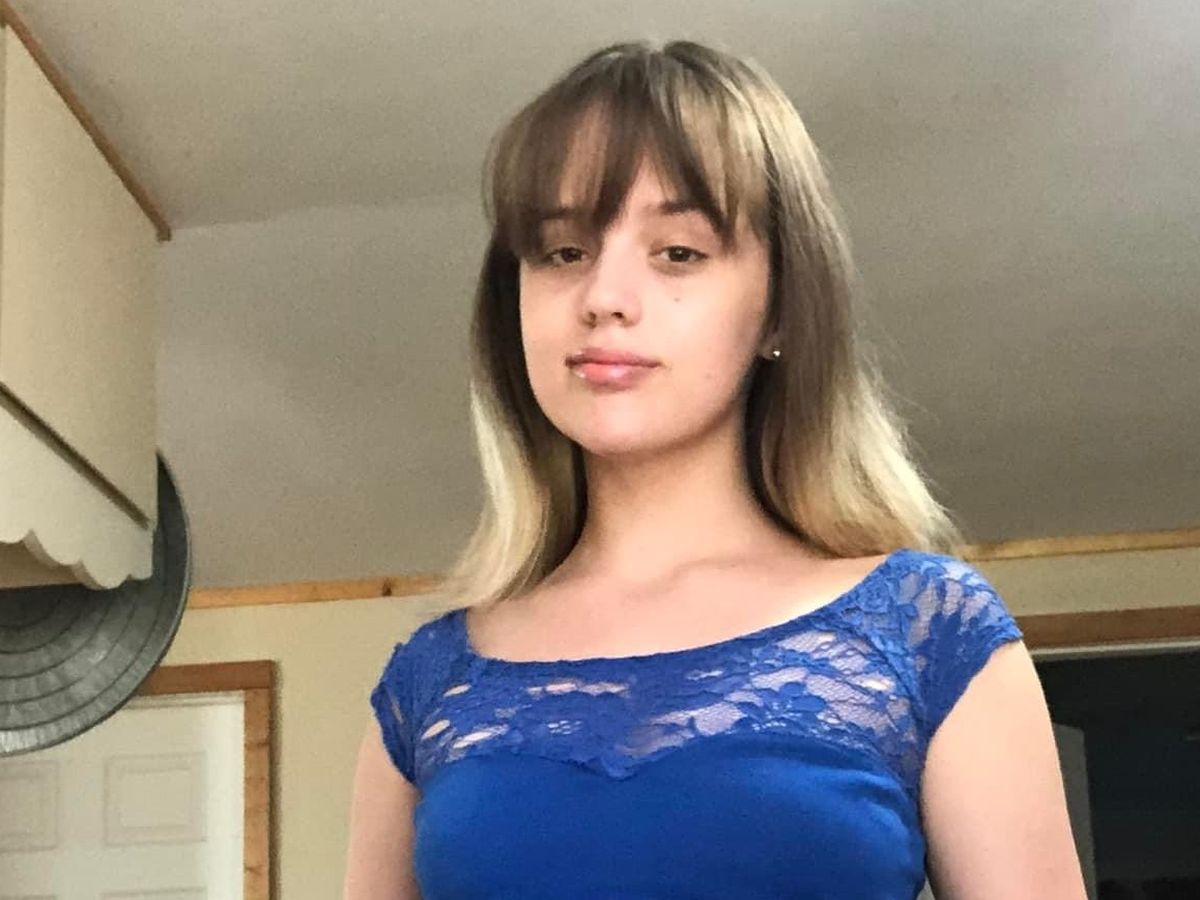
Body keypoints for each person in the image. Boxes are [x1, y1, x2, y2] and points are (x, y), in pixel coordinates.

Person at [343, 39, 1087, 899]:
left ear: (780, 308)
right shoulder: (429, 682)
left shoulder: (926, 630)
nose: (603, 297)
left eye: (678, 253)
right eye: (563, 252)